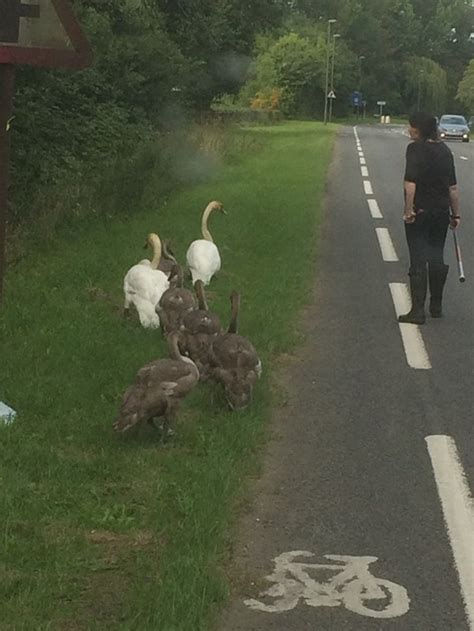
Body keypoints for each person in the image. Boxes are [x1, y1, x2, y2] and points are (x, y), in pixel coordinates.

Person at [398, 111, 461, 325]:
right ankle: (436, 305)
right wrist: (456, 214)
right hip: (442, 212)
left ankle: (417, 311)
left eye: (412, 126)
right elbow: (453, 187)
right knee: (436, 255)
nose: (409, 129)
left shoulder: (415, 149)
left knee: (418, 258)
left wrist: (409, 210)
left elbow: (410, 184)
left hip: (421, 211)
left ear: (419, 129)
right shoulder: (445, 151)